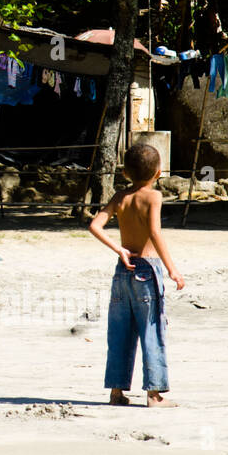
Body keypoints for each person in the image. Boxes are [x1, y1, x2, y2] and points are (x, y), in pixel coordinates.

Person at [88, 143, 186, 407]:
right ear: (158, 172)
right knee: (152, 330)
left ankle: (116, 392)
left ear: (125, 173)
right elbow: (155, 232)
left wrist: (119, 248)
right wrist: (172, 269)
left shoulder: (121, 196)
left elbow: (95, 225)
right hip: (147, 269)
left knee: (119, 331)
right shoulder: (154, 197)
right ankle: (154, 394)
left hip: (123, 269)